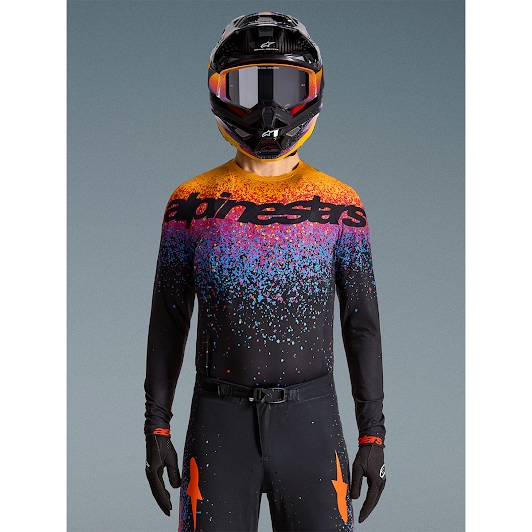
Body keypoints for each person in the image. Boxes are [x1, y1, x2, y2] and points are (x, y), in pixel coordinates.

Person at [144, 11, 386, 532]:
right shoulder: (190, 204)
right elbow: (168, 321)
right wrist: (155, 426)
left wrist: (374, 435)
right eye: (249, 88)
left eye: (285, 86)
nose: (268, 108)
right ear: (220, 91)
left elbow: (361, 325)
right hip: (222, 424)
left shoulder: (341, 205)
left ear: (312, 90)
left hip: (308, 424)